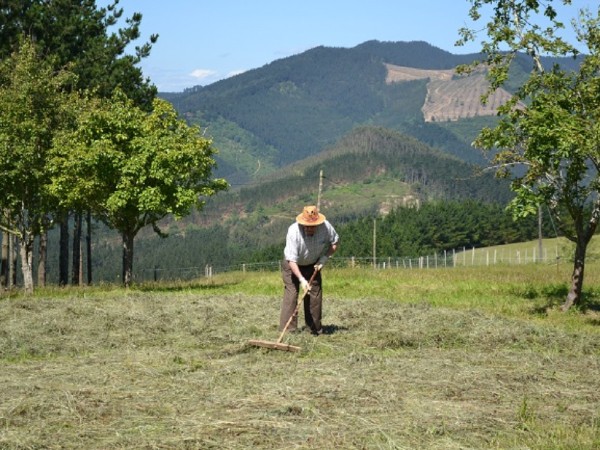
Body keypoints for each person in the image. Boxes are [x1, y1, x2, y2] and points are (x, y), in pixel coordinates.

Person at [280, 205, 339, 335]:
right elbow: (291, 260)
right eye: (307, 225)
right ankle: (289, 331)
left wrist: (324, 258)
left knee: (315, 295)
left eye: (313, 226)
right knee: (292, 295)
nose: (309, 228)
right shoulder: (293, 231)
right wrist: (301, 280)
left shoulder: (326, 227)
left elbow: (335, 243)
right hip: (292, 266)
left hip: (313, 264)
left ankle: (314, 329)